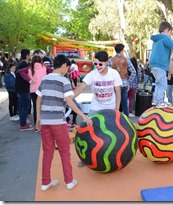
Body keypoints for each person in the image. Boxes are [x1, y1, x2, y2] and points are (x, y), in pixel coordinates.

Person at [35, 54, 93, 191]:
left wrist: (38, 118)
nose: (67, 70)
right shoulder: (64, 81)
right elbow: (69, 101)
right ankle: (69, 181)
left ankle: (45, 182)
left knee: (47, 151)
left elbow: (38, 100)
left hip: (45, 121)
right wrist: (84, 117)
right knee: (64, 151)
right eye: (67, 68)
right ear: (63, 66)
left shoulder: (44, 79)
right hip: (58, 122)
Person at [74, 50, 122, 167]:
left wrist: (116, 109)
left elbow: (118, 92)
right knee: (88, 130)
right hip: (96, 106)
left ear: (106, 62)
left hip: (110, 107)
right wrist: (70, 98)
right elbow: (81, 87)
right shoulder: (92, 74)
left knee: (113, 131)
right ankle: (85, 158)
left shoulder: (114, 73)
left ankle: (115, 155)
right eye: (95, 64)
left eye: (100, 64)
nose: (97, 66)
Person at [108, 43, 136, 116]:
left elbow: (108, 72)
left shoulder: (111, 60)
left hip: (115, 84)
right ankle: (126, 118)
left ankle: (116, 116)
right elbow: (133, 71)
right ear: (122, 50)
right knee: (124, 102)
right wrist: (128, 81)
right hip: (124, 83)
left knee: (116, 102)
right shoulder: (126, 60)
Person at [28, 55, 47, 131]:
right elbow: (45, 78)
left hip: (33, 90)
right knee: (42, 107)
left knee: (36, 107)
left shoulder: (30, 69)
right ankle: (42, 125)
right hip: (42, 89)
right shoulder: (43, 68)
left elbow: (31, 79)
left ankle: (36, 126)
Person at [15, 49, 33, 131]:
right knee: (25, 106)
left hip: (21, 88)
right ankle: (23, 124)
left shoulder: (22, 64)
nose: (30, 56)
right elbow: (26, 77)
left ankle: (23, 121)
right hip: (23, 89)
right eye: (30, 55)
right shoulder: (24, 65)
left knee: (23, 106)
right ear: (27, 56)